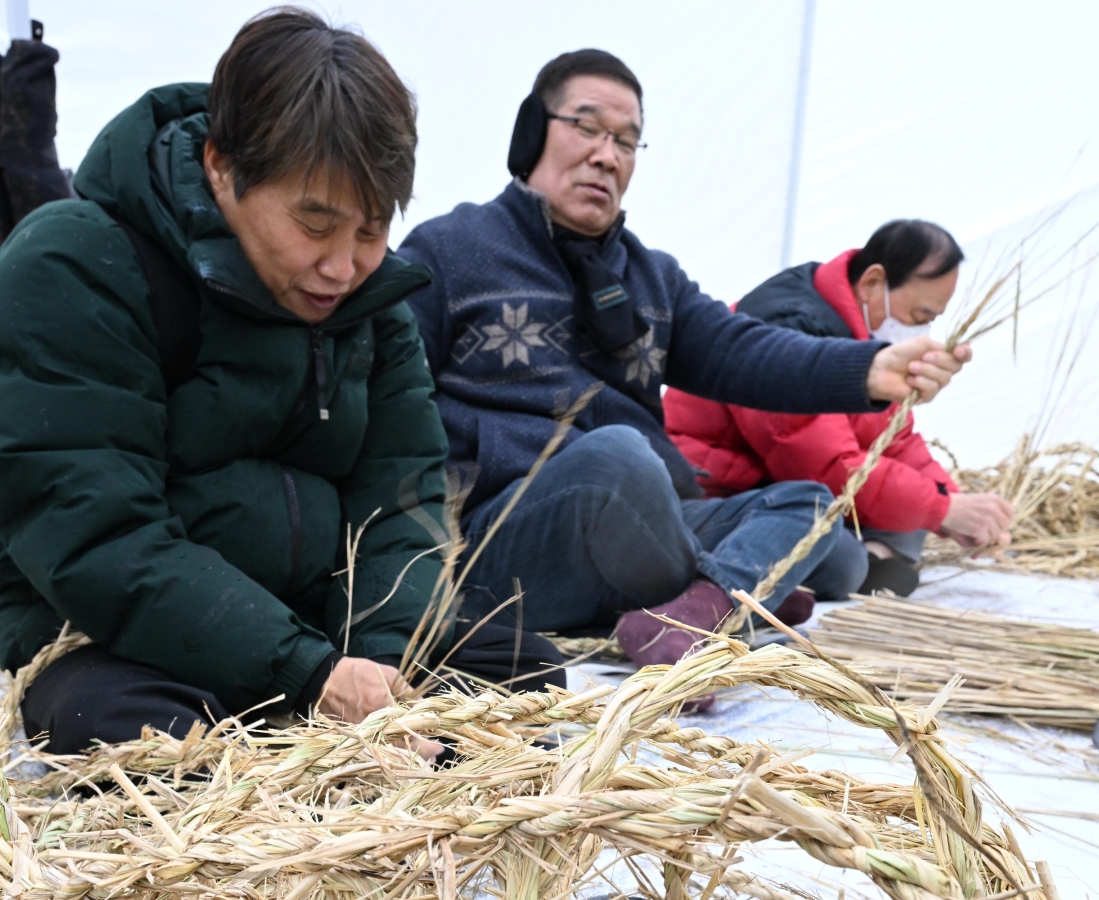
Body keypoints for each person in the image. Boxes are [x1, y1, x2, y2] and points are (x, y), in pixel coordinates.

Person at [0, 9, 453, 755]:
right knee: (148, 742)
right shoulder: (71, 269)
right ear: (222, 167)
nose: (343, 266)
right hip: (119, 645)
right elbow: (99, 535)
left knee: (517, 674)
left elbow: (402, 495)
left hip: (320, 634)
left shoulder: (369, 304)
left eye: (372, 228)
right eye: (315, 224)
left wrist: (378, 670)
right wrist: (309, 673)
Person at [399, 50, 971, 682]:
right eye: (586, 128)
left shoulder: (652, 277)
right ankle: (734, 599)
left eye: (627, 141)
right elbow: (392, 410)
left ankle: (699, 609)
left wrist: (869, 368)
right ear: (532, 131)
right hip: (507, 532)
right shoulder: (450, 251)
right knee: (618, 457)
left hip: (644, 517)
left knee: (827, 533)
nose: (607, 156)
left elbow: (741, 349)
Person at [664, 220, 1013, 598]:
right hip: (717, 491)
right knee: (841, 554)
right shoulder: (785, 329)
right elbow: (826, 465)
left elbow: (895, 438)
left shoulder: (865, 338)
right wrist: (943, 510)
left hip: (787, 484)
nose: (922, 333)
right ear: (872, 283)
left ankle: (870, 560)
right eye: (918, 317)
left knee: (912, 509)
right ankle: (856, 567)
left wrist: (956, 507)